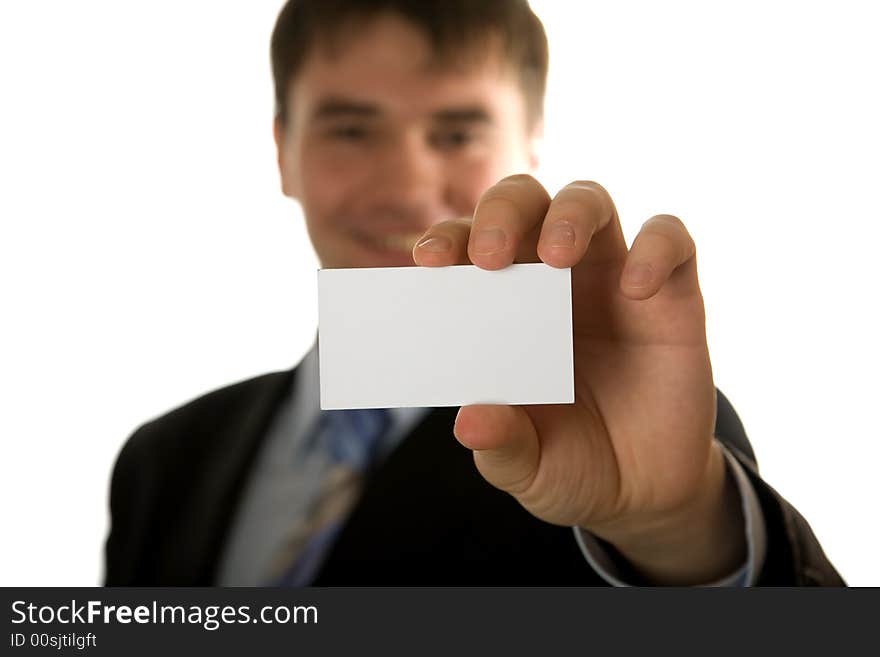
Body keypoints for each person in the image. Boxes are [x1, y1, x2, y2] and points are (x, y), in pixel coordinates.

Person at [104, 0, 843, 586]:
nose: (407, 187)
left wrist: (674, 532)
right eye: (351, 130)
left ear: (532, 145)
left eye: (458, 134)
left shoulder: (614, 416)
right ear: (282, 152)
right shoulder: (163, 460)